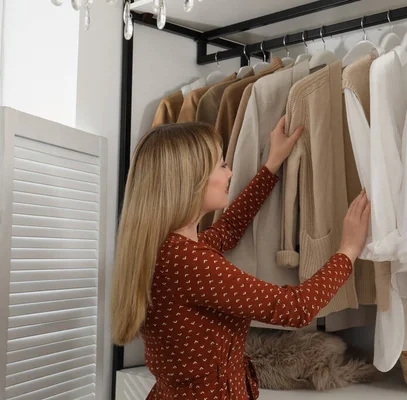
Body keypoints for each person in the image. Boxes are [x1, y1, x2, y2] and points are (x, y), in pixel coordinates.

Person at [110, 117, 371, 399]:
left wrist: (271, 166)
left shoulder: (166, 249)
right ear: (192, 179)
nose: (230, 173)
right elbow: (295, 308)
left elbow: (228, 229)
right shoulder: (188, 261)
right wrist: (348, 250)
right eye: (222, 165)